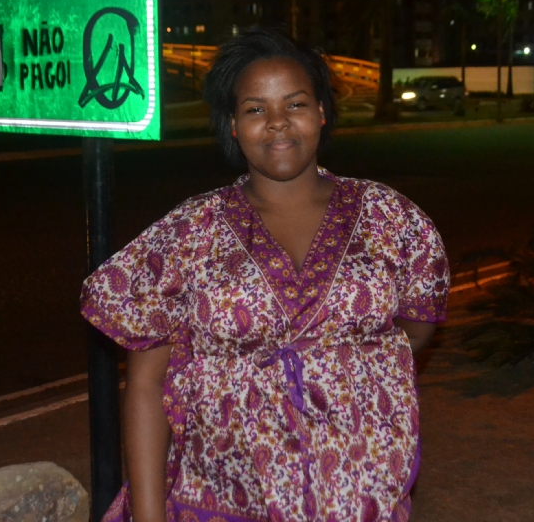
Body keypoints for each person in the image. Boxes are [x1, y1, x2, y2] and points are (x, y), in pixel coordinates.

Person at [81, 29, 450, 522]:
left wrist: (339, 366)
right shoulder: (189, 232)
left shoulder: (390, 218)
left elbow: (413, 330)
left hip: (357, 496)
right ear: (233, 125)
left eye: (295, 103)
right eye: (256, 109)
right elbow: (147, 384)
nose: (278, 122)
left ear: (322, 112)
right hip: (220, 497)